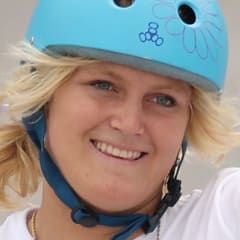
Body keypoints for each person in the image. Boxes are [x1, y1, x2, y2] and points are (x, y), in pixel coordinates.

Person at [0, 0, 239, 239]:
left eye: (164, 100)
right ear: (42, 101)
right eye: (104, 85)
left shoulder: (225, 217)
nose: (129, 123)